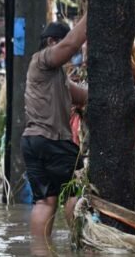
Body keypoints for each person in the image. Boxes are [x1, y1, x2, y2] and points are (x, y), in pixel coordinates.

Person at [21, 15, 88, 238]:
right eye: (61, 42)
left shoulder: (55, 75)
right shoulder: (43, 59)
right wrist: (92, 14)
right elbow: (70, 45)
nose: (71, 55)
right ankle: (79, 244)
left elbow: (81, 96)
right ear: (51, 42)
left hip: (32, 142)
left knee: (45, 201)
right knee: (76, 189)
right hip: (52, 141)